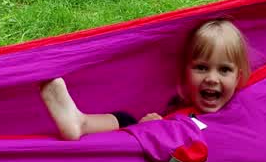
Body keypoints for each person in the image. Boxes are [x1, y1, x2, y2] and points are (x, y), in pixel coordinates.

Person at [40, 18, 252, 141]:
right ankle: (80, 122)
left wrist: (157, 130)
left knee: (133, 129)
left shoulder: (233, 114)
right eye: (201, 68)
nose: (212, 78)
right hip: (145, 143)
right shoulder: (180, 106)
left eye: (224, 70)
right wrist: (150, 127)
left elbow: (200, 144)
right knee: (125, 119)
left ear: (238, 77)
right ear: (186, 72)